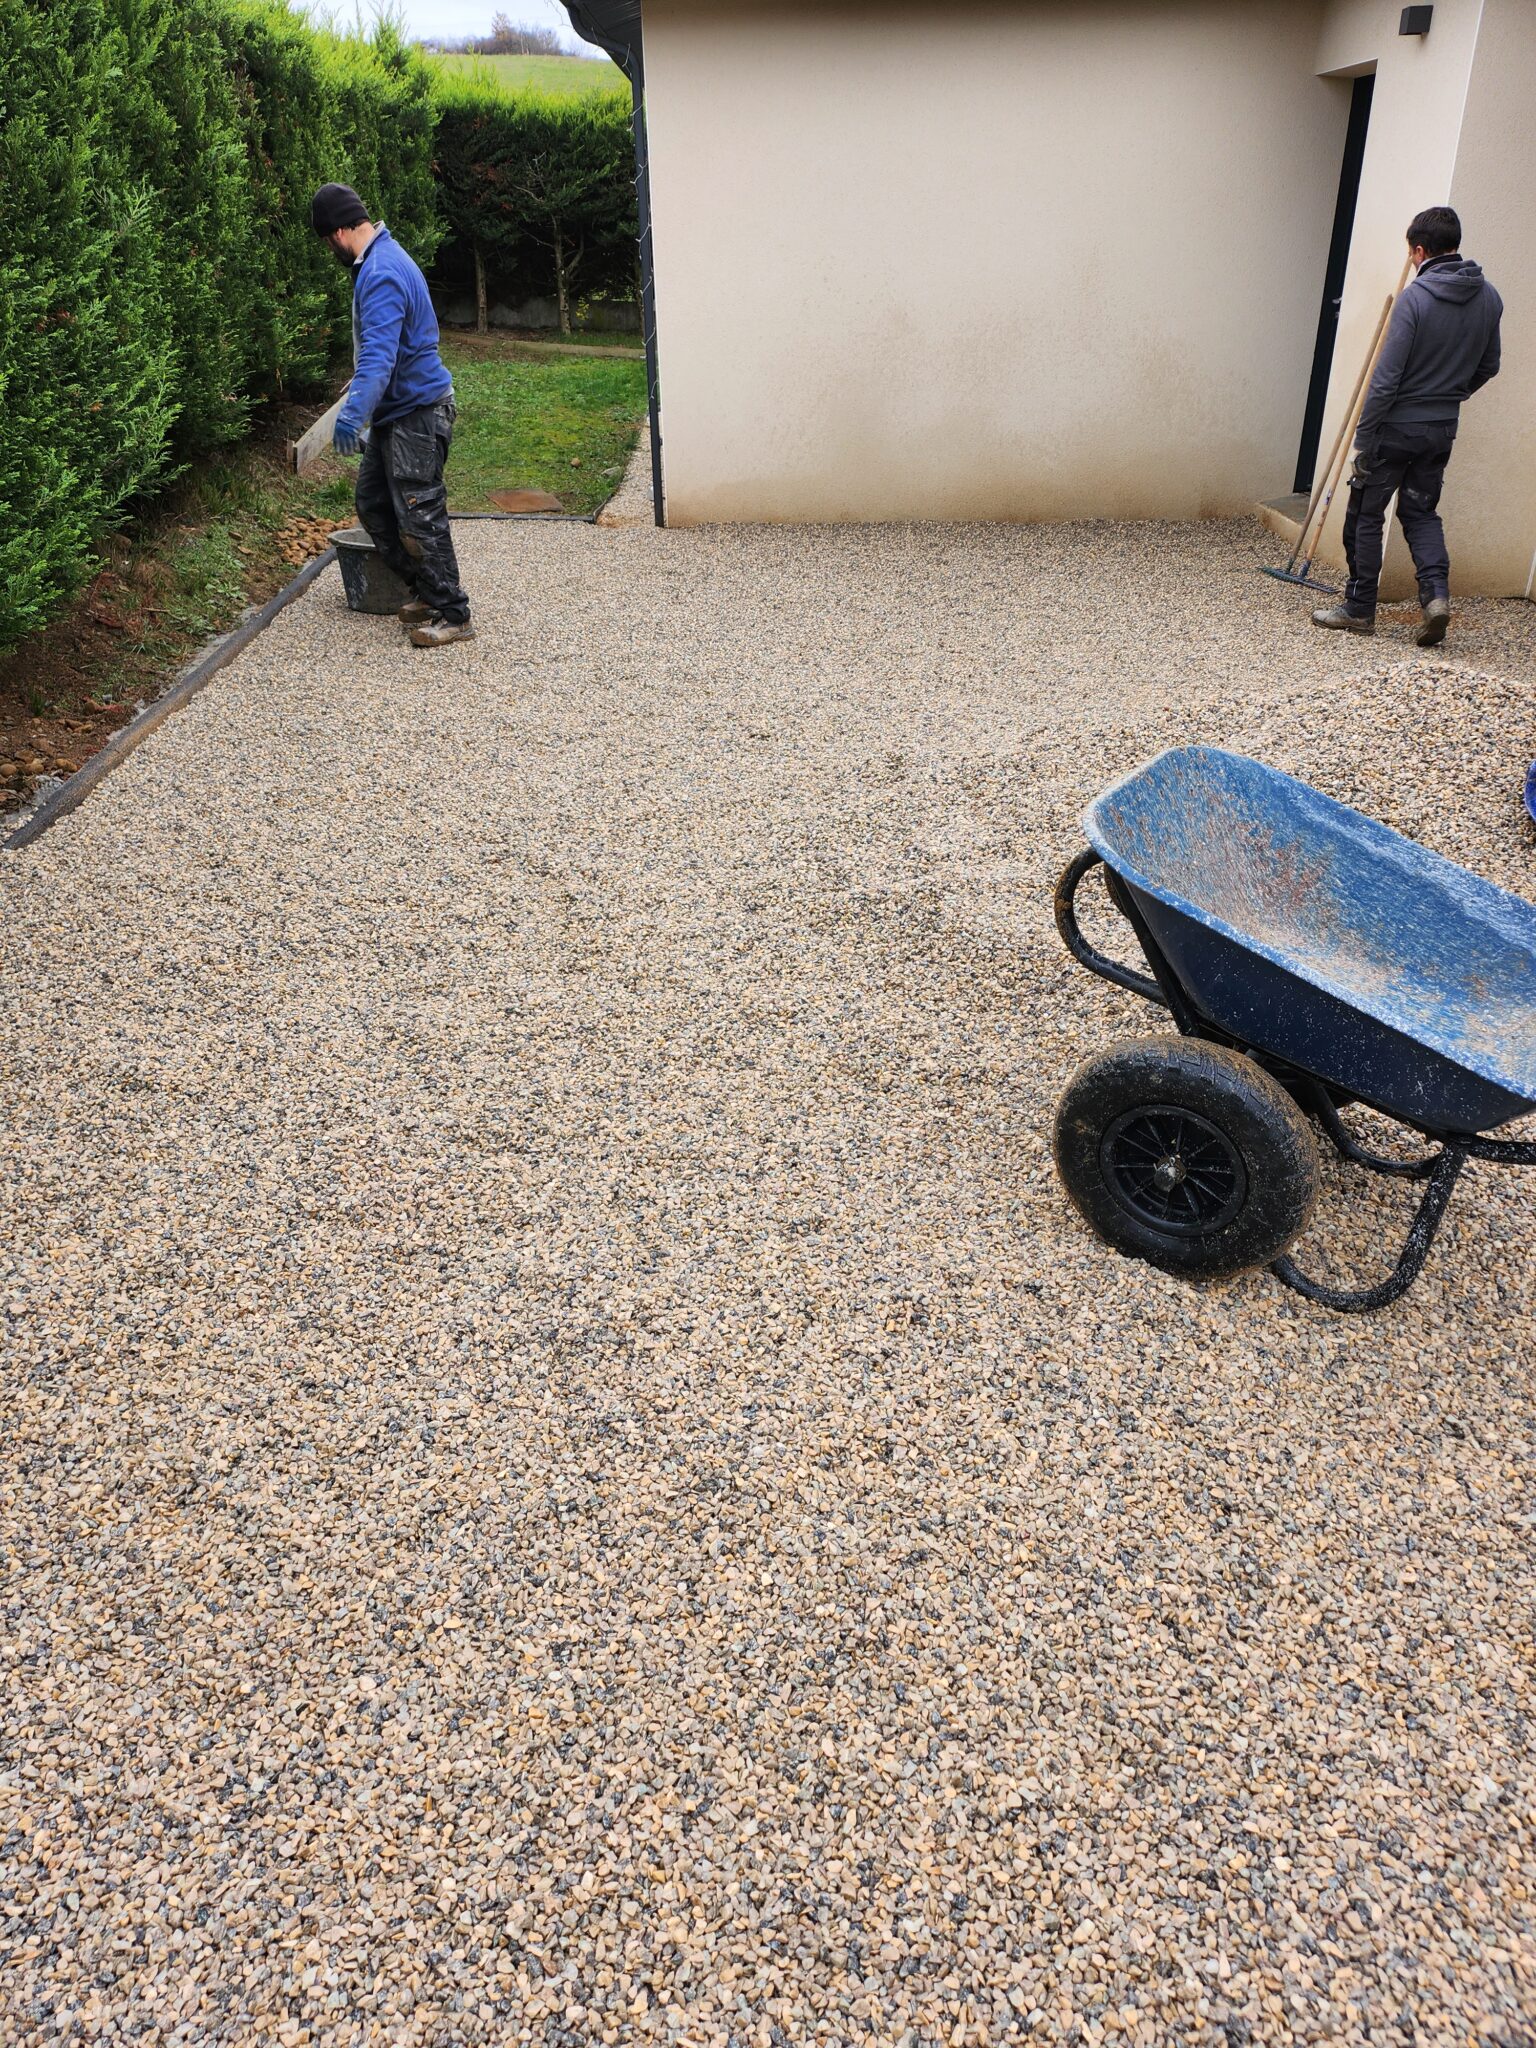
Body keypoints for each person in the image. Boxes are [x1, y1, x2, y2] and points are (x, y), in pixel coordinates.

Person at [1313, 205, 1501, 648]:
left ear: (1419, 250)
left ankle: (1359, 609)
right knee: (1420, 512)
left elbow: (1386, 379)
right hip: (1441, 429)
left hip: (1395, 430)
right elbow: (1489, 366)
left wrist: (1364, 438)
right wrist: (1451, 396)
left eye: (1412, 253)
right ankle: (1435, 599)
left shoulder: (1415, 299)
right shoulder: (1489, 297)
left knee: (1365, 513)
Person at [310, 183, 474, 648]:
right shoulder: (382, 259)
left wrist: (352, 415)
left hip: (417, 415)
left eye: (327, 240)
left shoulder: (380, 271)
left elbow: (380, 358)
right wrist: (360, 395)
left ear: (341, 230)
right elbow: (386, 351)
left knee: (421, 516)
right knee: (375, 505)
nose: (329, 249)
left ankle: (454, 613)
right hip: (398, 413)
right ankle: (426, 591)